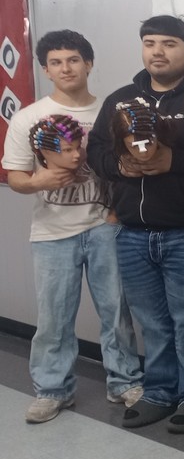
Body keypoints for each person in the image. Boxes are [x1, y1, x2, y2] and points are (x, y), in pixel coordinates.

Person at [86, 15, 184, 434]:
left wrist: (176, 163)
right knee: (152, 321)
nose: (158, 52)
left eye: (169, 43)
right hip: (132, 233)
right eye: (150, 43)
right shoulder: (121, 99)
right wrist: (120, 166)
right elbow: (96, 152)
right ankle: (159, 391)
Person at [2, 29, 144, 424]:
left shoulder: (109, 112)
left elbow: (123, 168)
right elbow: (15, 176)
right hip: (51, 234)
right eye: (56, 62)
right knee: (54, 317)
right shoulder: (29, 117)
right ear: (46, 69)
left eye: (74, 60)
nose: (66, 68)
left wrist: (115, 214)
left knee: (116, 311)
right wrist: (38, 182)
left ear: (89, 64)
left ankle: (125, 381)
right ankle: (52, 390)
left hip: (105, 227)